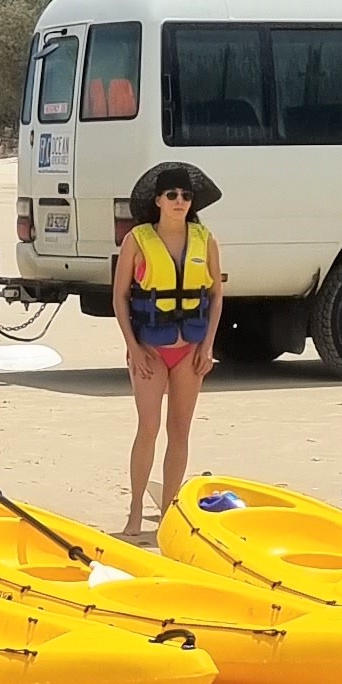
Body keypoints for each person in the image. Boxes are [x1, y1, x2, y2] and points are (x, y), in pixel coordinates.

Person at [113, 159, 224, 539]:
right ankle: (134, 512)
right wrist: (133, 347)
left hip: (189, 349)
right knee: (148, 427)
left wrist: (207, 345)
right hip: (150, 348)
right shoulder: (137, 240)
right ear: (158, 200)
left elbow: (215, 294)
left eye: (186, 196)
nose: (180, 201)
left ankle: (168, 515)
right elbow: (120, 297)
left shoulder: (205, 239)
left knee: (180, 431)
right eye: (172, 195)